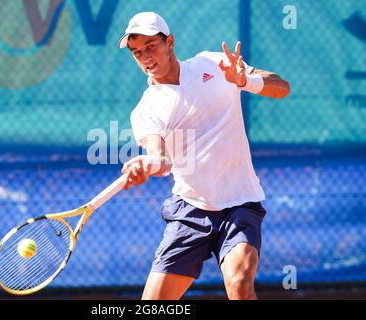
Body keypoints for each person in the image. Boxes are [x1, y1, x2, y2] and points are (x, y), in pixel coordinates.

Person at [118, 12, 290, 300]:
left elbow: (282, 87)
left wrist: (244, 80)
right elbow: (159, 159)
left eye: (151, 47)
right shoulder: (147, 108)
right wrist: (146, 163)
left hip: (240, 204)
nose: (145, 57)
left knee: (239, 285)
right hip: (191, 211)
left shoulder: (212, 64)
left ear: (169, 42)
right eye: (137, 53)